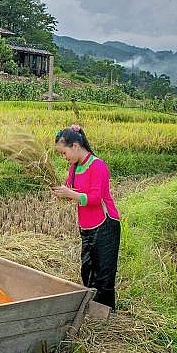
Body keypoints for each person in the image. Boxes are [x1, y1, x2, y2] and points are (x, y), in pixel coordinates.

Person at [52, 124, 121, 310]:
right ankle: (91, 310)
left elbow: (95, 198)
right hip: (87, 226)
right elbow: (73, 193)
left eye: (64, 153)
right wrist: (62, 194)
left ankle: (105, 314)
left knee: (104, 274)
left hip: (105, 224)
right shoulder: (74, 168)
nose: (63, 157)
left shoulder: (98, 166)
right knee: (87, 270)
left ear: (75, 146)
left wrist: (70, 194)